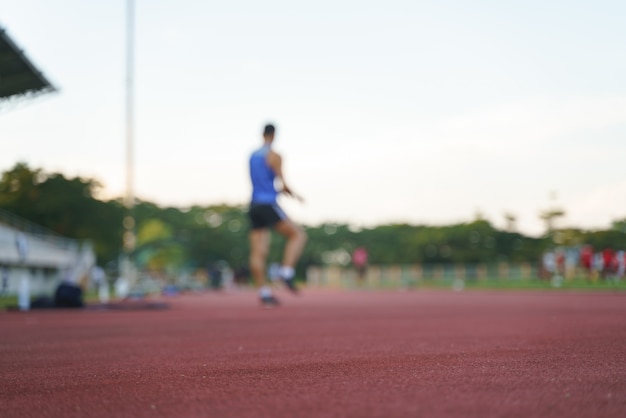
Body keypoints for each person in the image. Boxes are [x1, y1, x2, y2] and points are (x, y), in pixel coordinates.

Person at [248, 123, 307, 307]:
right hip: (268, 204)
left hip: (253, 205)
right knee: (298, 235)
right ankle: (286, 272)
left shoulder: (252, 156)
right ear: (274, 135)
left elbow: (260, 181)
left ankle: (264, 293)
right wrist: (295, 195)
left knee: (259, 252)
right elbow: (283, 183)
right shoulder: (274, 155)